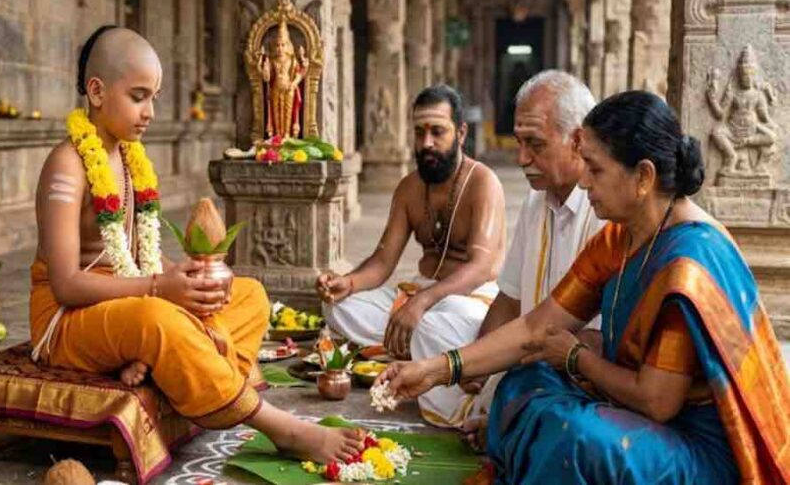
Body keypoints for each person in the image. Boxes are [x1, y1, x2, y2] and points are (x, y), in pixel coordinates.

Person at [377, 90, 790, 484]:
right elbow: (535, 328)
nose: (585, 182)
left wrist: (577, 358)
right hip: (632, 409)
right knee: (524, 380)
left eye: (595, 169)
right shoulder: (620, 237)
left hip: (692, 447)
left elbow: (657, 402)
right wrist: (434, 370)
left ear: (643, 177)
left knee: (575, 437)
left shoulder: (688, 265)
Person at [31, 25, 365, 463]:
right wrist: (158, 288)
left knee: (248, 295)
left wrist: (182, 278)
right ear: (96, 91)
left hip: (126, 301)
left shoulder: (130, 158)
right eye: (138, 96)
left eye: (154, 97)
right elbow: (67, 286)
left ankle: (174, 366)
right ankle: (279, 427)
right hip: (68, 320)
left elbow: (137, 256)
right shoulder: (67, 165)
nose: (150, 110)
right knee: (157, 318)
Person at [317, 84, 507, 428]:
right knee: (338, 307)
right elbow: (382, 261)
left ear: (461, 133)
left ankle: (444, 386)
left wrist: (421, 304)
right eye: (420, 132)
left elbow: (481, 267)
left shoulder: (483, 182)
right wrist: (347, 282)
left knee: (431, 325)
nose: (427, 143)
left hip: (469, 300)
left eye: (438, 131)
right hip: (419, 294)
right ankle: (418, 349)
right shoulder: (409, 187)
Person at [459, 71, 606, 441]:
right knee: (441, 345)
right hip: (524, 351)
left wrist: (487, 366)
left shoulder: (606, 214)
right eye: (519, 142)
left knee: (542, 411)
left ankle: (508, 417)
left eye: (535, 144)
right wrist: (474, 364)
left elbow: (595, 344)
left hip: (574, 368)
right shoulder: (534, 202)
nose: (522, 157)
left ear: (577, 141)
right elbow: (509, 299)